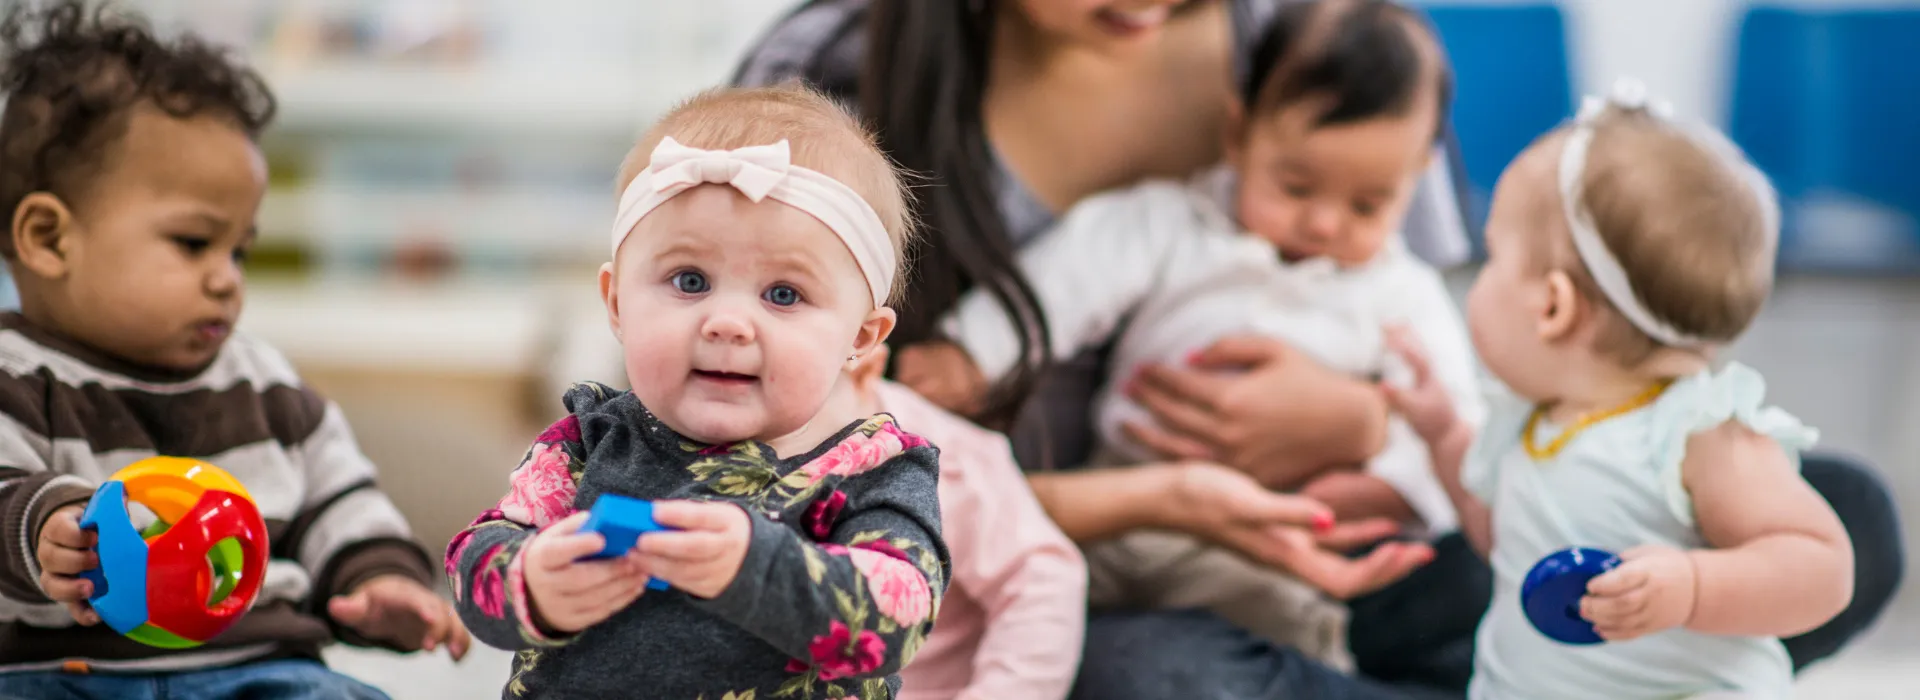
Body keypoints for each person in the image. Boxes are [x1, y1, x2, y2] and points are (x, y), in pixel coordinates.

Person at [733, 0, 1905, 697]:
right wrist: (1169, 495)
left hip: (1356, 543)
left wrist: (1377, 428)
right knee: (1161, 677)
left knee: (1834, 512)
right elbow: (777, 473)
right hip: (1061, 566)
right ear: (1245, 133)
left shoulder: (1315, 36)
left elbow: (1462, 350)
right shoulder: (835, 71)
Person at [893, 0, 1477, 669]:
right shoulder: (1177, 224)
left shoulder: (1403, 295)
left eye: (1367, 205)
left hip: (1259, 540)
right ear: (1238, 133)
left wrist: (1388, 469)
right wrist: (975, 352)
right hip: (1116, 507)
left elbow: (1456, 420)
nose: (1322, 223)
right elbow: (1070, 277)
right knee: (1028, 595)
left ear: (1419, 178)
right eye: (1295, 185)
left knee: (1281, 629)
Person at [0, 3, 469, 698]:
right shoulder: (16, 377)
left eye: (239, 249)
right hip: (62, 672)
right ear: (50, 238)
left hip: (257, 665)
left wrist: (381, 581)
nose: (226, 277)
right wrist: (40, 527)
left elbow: (339, 501)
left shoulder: (266, 385)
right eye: (193, 243)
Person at [446, 85, 947, 700]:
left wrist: (756, 566)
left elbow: (900, 614)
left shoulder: (872, 468)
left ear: (862, 337)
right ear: (617, 303)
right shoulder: (589, 439)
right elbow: (476, 559)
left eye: (783, 294)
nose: (727, 322)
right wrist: (532, 583)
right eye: (690, 281)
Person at [1388, 78, 1853, 699]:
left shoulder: (1695, 431)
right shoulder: (1532, 421)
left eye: (1494, 255)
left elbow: (1823, 566)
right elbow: (1504, 540)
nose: (1482, 273)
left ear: (1552, 306)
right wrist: (1444, 433)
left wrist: (1693, 586)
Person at [847, 345, 1089, 700]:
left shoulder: (935, 449)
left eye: (784, 297)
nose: (736, 325)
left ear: (862, 351)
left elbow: (1041, 577)